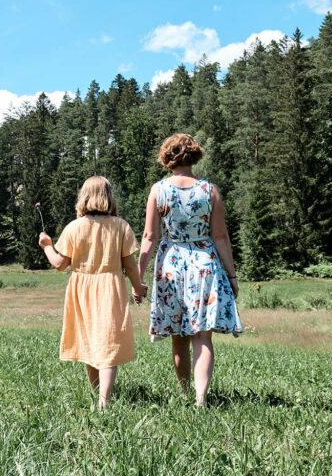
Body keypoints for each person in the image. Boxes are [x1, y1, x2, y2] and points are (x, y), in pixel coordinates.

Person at [137, 133, 243, 407]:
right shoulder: (210, 190)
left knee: (178, 335)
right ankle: (200, 398)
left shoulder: (158, 190)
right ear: (194, 155)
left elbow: (149, 237)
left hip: (171, 265)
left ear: (167, 157)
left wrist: (138, 274)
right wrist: (231, 275)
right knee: (202, 334)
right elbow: (220, 237)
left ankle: (185, 393)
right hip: (204, 264)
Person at [38, 176, 146, 409]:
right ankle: (103, 400)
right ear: (109, 196)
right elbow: (130, 265)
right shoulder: (121, 226)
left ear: (83, 197)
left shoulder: (74, 227)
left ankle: (100, 397)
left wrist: (47, 246)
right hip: (111, 287)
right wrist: (139, 288)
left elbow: (59, 263)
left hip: (82, 290)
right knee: (108, 342)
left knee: (90, 342)